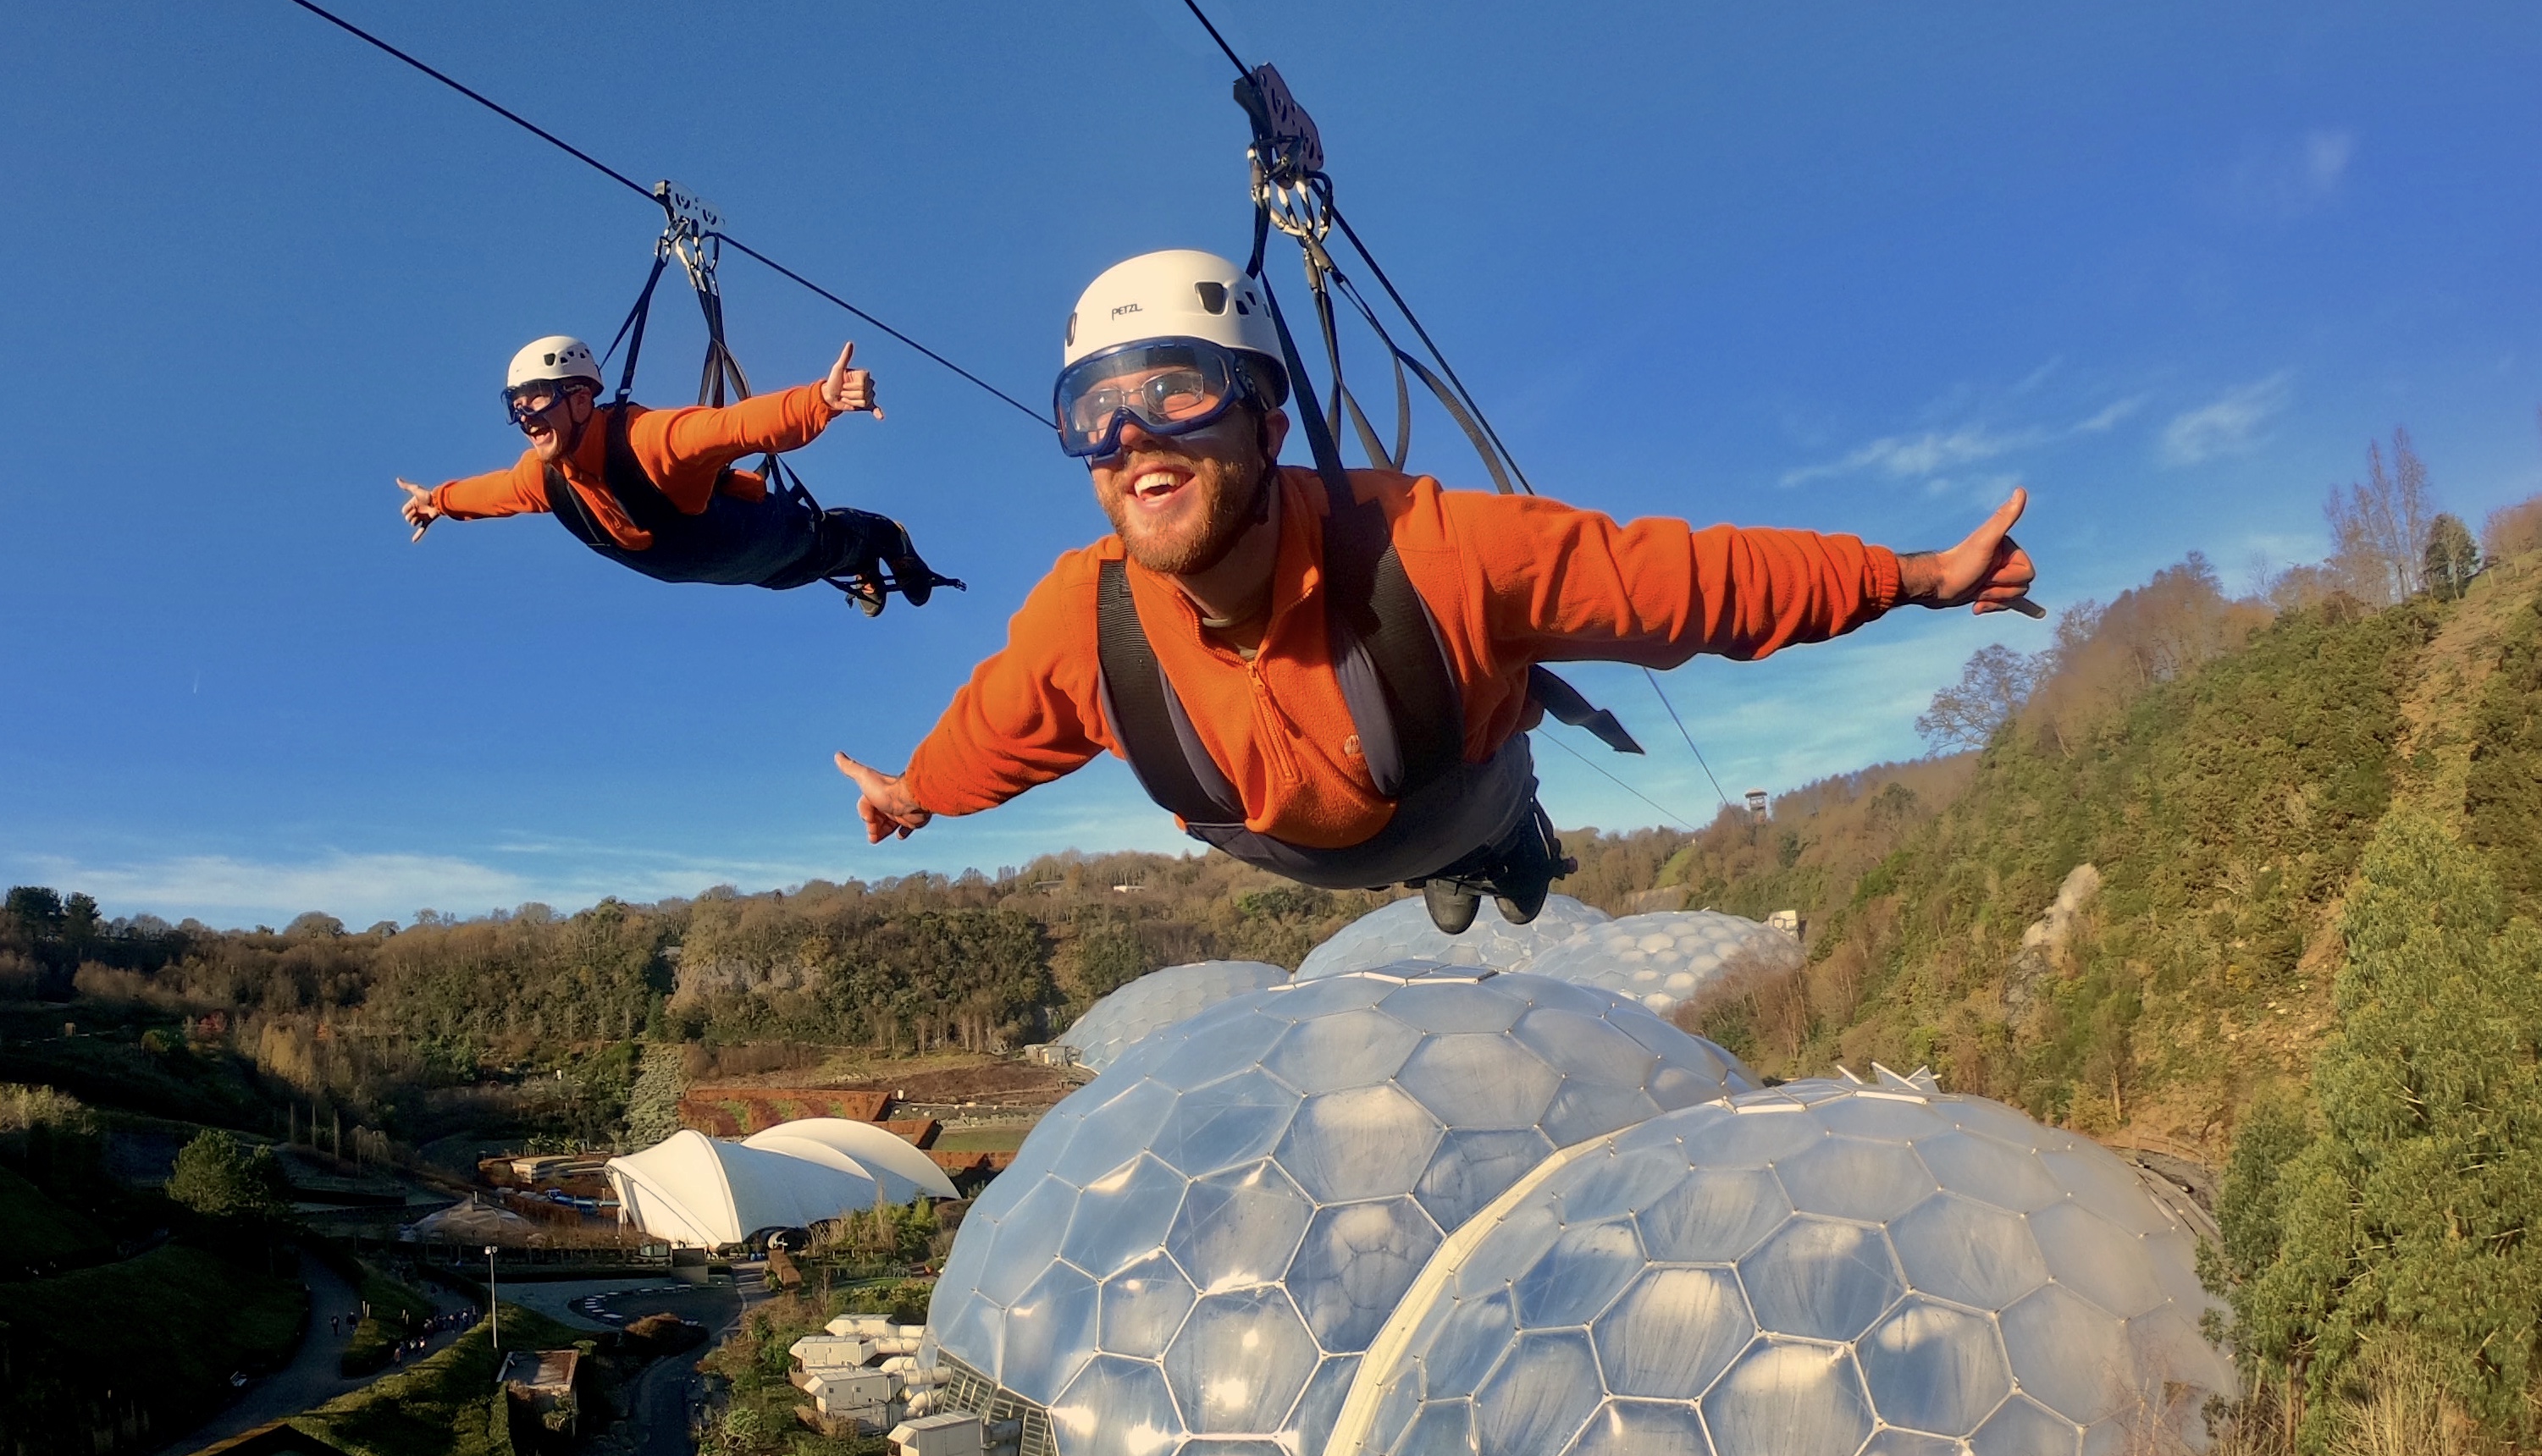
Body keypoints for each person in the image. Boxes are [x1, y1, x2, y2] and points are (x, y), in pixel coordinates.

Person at [833, 250, 2039, 929]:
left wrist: (1912, 578)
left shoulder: (1431, 548)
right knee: (1314, 791)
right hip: (1291, 850)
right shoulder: (1084, 625)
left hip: (1454, 790)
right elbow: (994, 732)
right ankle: (1464, 861)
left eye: (1177, 391)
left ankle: (1505, 847)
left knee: (1470, 794)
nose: (1133, 434)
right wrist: (910, 792)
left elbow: (1685, 583)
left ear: (1264, 421)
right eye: (1092, 412)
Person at [397, 336, 956, 616]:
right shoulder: (544, 477)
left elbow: (736, 427)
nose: (526, 417)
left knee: (814, 546)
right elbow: (492, 493)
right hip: (729, 568)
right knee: (789, 576)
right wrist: (437, 501)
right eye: (516, 406)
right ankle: (861, 563)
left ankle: (887, 538)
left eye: (537, 399)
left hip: (753, 534)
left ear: (581, 398)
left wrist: (821, 401)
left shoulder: (648, 441)